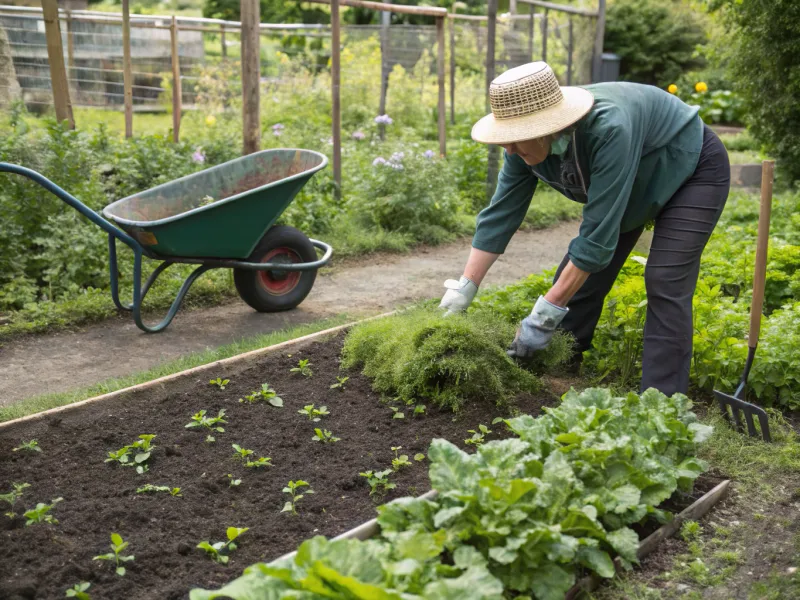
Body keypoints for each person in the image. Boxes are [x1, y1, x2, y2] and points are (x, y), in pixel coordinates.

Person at [439, 62, 730, 396]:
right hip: (632, 178)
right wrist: (466, 286)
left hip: (690, 167)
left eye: (515, 140)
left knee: (664, 278)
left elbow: (595, 239)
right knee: (580, 277)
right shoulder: (520, 145)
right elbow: (500, 213)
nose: (508, 150)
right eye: (504, 140)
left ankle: (661, 403)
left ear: (546, 126)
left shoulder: (608, 128)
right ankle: (559, 365)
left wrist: (543, 316)